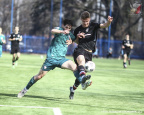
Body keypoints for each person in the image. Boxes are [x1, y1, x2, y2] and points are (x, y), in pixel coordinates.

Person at [17, 19, 90, 98]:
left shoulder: (70, 35)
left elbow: (75, 41)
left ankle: (82, 83)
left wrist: (77, 37)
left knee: (74, 67)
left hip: (61, 59)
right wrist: (62, 32)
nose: (67, 29)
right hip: (51, 59)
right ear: (63, 26)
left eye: (69, 28)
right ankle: (24, 90)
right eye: (66, 27)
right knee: (39, 76)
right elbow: (52, 30)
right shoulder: (59, 30)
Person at [69, 11, 113, 99]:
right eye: (84, 21)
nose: (85, 23)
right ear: (81, 20)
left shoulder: (94, 26)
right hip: (80, 49)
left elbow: (104, 25)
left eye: (87, 21)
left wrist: (109, 22)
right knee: (81, 61)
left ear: (89, 19)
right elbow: (75, 41)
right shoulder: (77, 29)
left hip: (89, 53)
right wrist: (78, 37)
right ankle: (83, 78)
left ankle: (73, 89)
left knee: (80, 75)